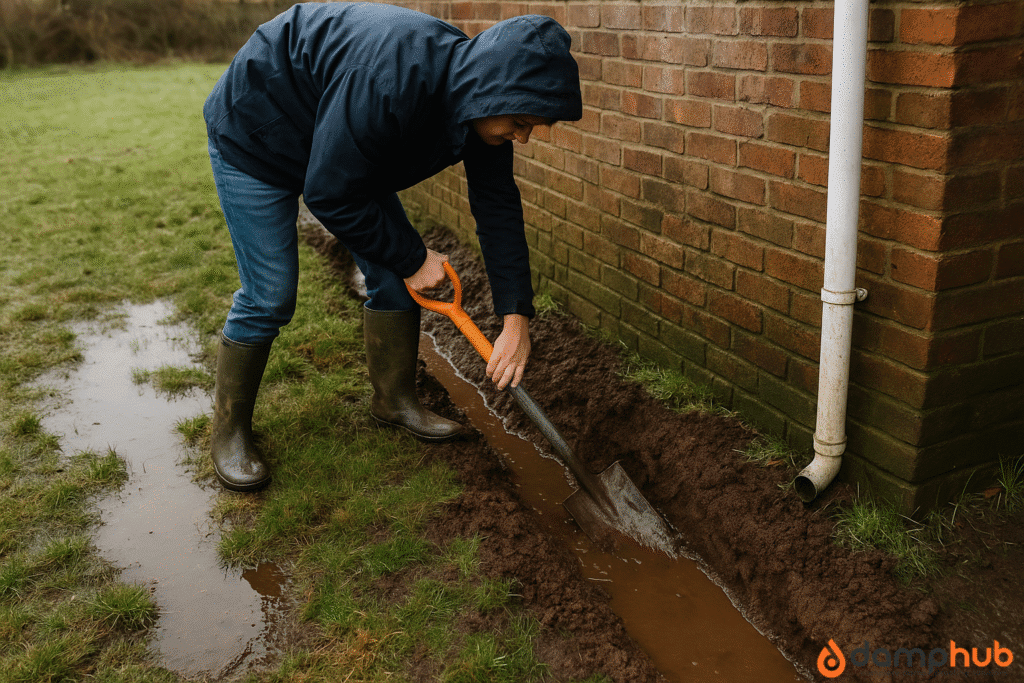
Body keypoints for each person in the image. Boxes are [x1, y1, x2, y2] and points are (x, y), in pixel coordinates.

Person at [203, 2, 583, 492]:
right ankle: (229, 431)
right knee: (270, 294)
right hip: (259, 134)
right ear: (493, 93)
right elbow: (328, 194)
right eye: (522, 122)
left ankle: (394, 401)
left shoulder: (482, 105)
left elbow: (498, 211)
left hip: (346, 145)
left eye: (534, 127)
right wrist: (413, 257)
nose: (525, 138)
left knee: (393, 281)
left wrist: (516, 319)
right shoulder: (391, 80)